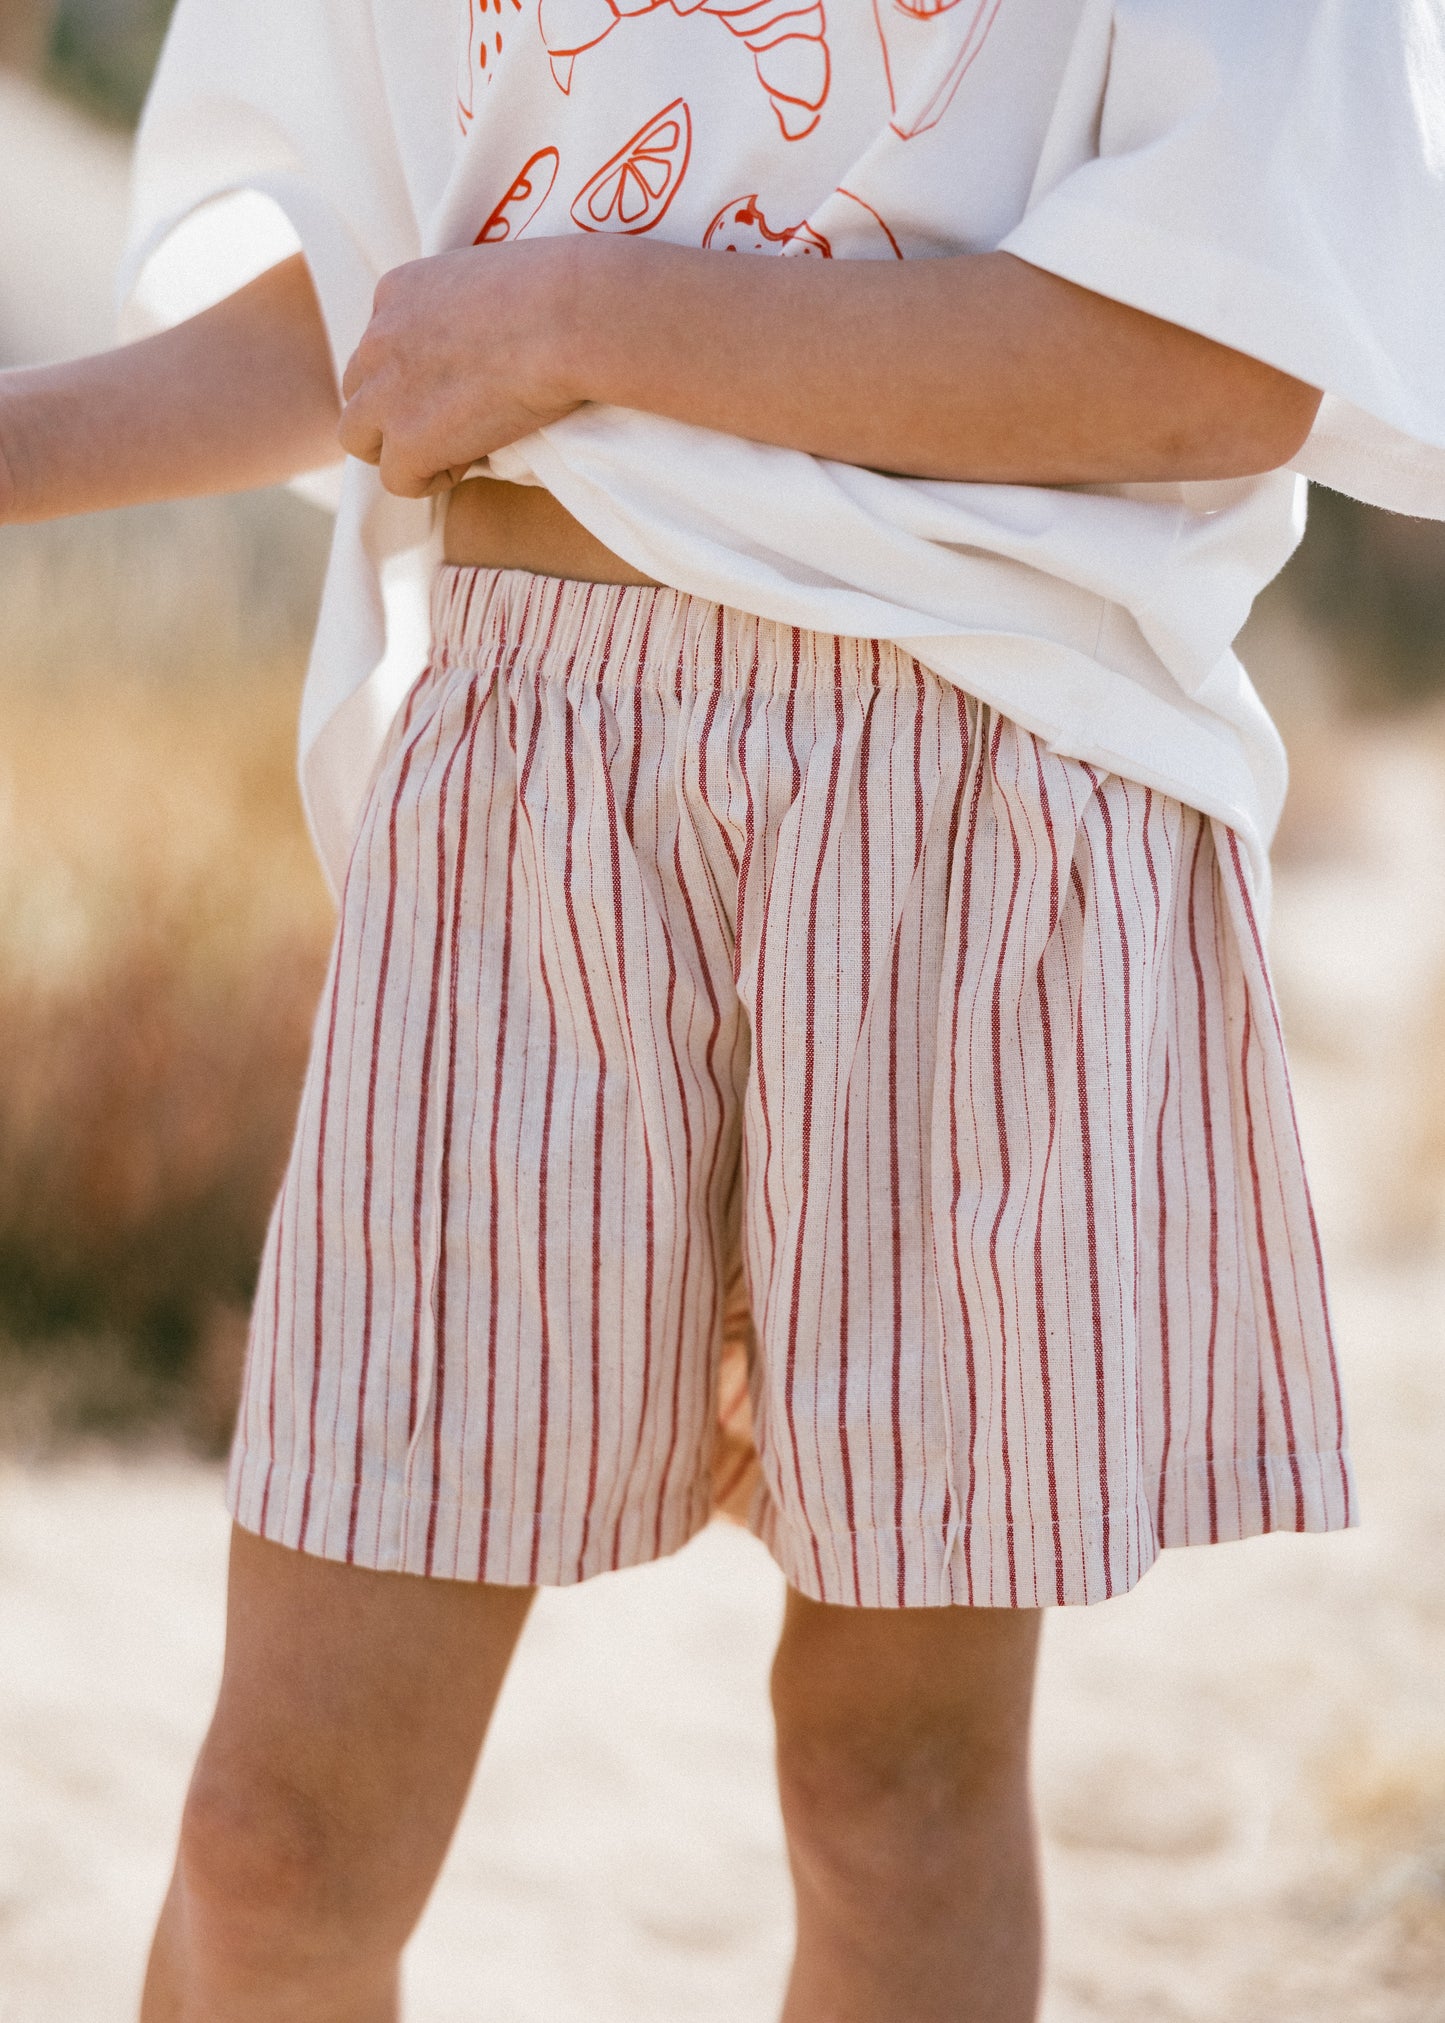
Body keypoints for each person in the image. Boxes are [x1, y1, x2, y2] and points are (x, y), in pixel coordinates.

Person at [3, 0, 1444, 2016]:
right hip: (521, 766)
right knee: (278, 1843)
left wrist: (594, 317)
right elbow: (399, 316)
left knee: (892, 1792)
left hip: (977, 782)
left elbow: (1222, 356)